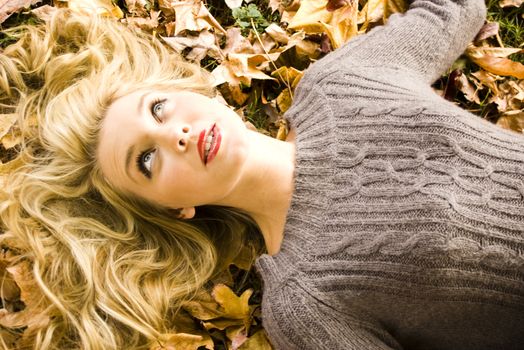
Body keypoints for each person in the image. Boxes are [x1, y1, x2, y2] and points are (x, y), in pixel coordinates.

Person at [1, 0, 523, 348]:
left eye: (158, 109)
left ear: (190, 91)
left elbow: (453, 10)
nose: (173, 135)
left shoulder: (341, 83)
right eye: (146, 160)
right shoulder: (304, 306)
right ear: (172, 210)